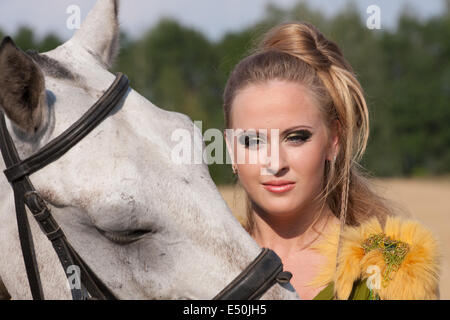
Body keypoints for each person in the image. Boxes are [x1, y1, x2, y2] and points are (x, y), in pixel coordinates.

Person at [222, 21, 441, 300]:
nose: (275, 163)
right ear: (230, 149)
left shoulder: (392, 269)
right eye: (252, 141)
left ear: (334, 140)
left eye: (296, 137)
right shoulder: (194, 262)